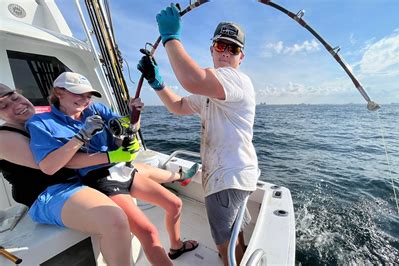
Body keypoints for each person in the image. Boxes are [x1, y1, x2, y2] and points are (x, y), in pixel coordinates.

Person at [26, 72, 198, 265]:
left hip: (121, 169)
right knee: (148, 232)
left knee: (175, 203)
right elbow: (57, 164)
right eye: (78, 94)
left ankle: (176, 246)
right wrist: (84, 136)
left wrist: (135, 115)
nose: (85, 100)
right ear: (58, 92)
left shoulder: (96, 108)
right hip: (99, 179)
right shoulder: (41, 123)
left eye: (88, 95)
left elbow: (128, 127)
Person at [137, 5, 259, 265]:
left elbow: (192, 79)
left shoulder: (236, 80)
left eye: (233, 48)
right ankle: (237, 254)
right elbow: (179, 106)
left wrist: (170, 38)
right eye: (220, 46)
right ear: (212, 49)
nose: (226, 52)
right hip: (235, 175)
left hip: (229, 177)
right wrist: (157, 83)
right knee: (233, 231)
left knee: (223, 240)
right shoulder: (210, 88)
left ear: (241, 57)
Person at [0, 83, 134, 265]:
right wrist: (84, 137)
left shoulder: (40, 119)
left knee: (142, 177)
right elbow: (52, 164)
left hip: (79, 180)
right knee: (114, 220)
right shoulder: (4, 137)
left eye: (15, 98)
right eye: (3, 106)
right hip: (49, 193)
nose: (16, 105)